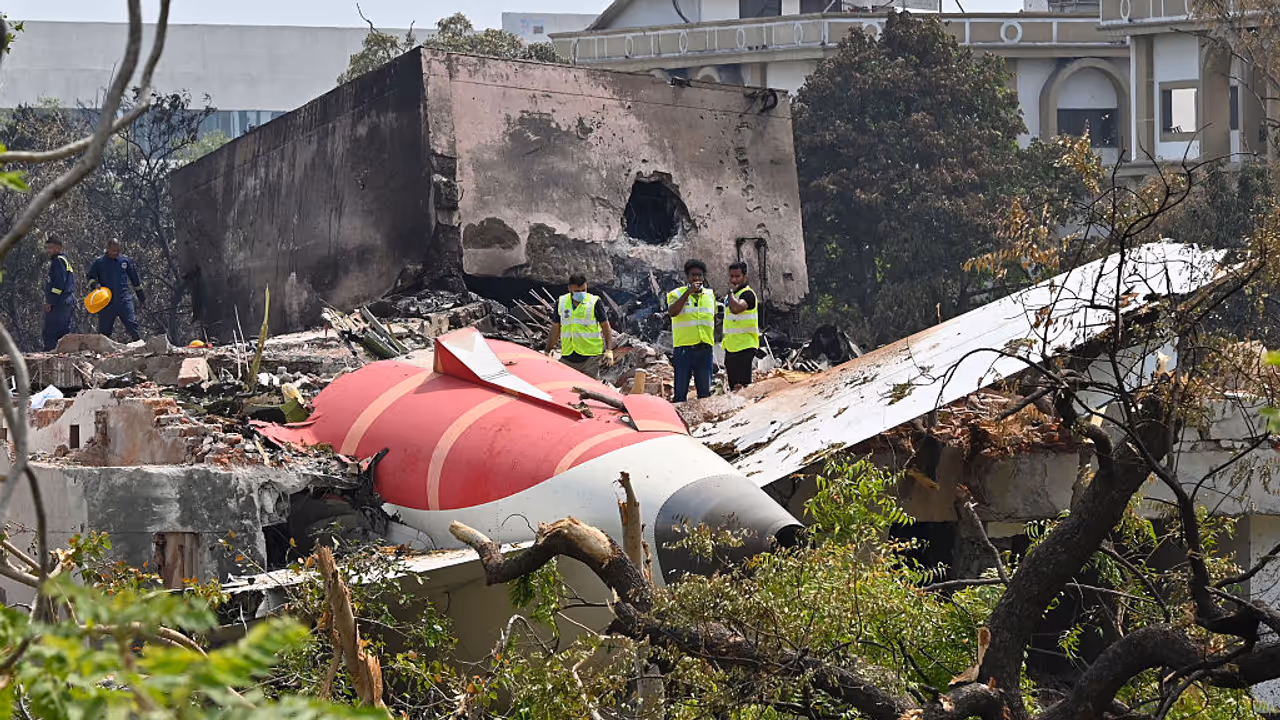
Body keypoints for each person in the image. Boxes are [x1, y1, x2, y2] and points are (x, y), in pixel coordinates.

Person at [546, 272, 614, 379]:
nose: (581, 294)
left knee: (588, 387)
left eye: (584, 290)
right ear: (570, 288)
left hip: (590, 358)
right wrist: (547, 350)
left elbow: (605, 327)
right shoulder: (561, 302)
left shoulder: (594, 302)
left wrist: (609, 350)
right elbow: (555, 328)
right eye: (577, 291)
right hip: (568, 355)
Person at [666, 259, 716, 402]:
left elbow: (713, 316)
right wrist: (688, 293)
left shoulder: (709, 295)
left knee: (704, 392)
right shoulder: (676, 294)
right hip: (684, 349)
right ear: (687, 277)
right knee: (680, 392)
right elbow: (672, 312)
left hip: (704, 348)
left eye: (700, 275)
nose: (696, 278)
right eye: (693, 275)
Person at [87, 239, 146, 342]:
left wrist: (142, 298)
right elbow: (90, 277)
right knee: (104, 333)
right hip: (107, 302)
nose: (116, 253)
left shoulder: (125, 261)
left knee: (133, 326)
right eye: (113, 250)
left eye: (118, 250)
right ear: (107, 249)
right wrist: (95, 285)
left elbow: (135, 280)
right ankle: (103, 350)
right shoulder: (99, 262)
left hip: (124, 300)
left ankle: (140, 346)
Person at [722, 261, 759, 391]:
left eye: (737, 276)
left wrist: (730, 293)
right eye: (731, 276)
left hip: (745, 346)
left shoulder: (748, 294)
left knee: (743, 386)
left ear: (745, 277)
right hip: (731, 346)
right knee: (733, 386)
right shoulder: (732, 296)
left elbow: (737, 308)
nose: (734, 280)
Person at [42, 235, 75, 352]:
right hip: (66, 301)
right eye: (47, 248)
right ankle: (63, 354)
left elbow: (58, 284)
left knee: (51, 332)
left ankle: (49, 355)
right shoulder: (64, 260)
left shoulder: (58, 261)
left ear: (58, 248)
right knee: (63, 333)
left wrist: (51, 302)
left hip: (60, 303)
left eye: (50, 248)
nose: (48, 251)